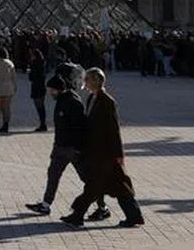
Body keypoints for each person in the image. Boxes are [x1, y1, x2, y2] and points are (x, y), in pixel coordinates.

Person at [60, 69, 145, 229]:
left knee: (99, 185)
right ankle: (133, 216)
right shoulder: (92, 97)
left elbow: (114, 129)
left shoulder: (107, 101)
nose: (85, 82)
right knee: (113, 186)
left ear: (96, 81)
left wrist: (119, 154)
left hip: (106, 154)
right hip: (95, 151)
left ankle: (78, 215)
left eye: (88, 80)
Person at [25, 74, 108, 219]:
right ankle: (45, 204)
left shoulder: (73, 103)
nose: (50, 93)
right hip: (60, 148)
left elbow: (79, 128)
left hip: (73, 149)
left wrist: (78, 149)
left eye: (52, 90)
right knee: (53, 175)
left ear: (59, 89)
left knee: (88, 179)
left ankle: (102, 207)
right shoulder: (61, 100)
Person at [29, 48, 48, 132]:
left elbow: (31, 77)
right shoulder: (43, 64)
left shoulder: (34, 65)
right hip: (42, 86)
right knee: (41, 106)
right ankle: (43, 123)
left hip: (36, 87)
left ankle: (42, 124)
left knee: (39, 106)